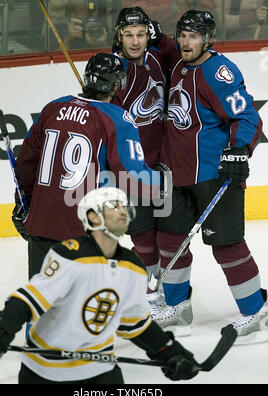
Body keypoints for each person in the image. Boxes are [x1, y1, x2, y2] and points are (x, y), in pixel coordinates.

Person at [0, 187, 199, 384]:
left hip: (101, 371)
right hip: (45, 371)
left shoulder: (133, 267)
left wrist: (167, 351)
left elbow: (134, 322)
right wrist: (3, 324)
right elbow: (32, 297)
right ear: (93, 218)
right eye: (113, 206)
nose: (122, 211)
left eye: (123, 206)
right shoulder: (70, 255)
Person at [153, 10, 268, 343]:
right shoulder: (177, 62)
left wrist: (239, 150)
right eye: (182, 35)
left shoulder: (218, 71)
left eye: (193, 36)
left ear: (208, 39)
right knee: (170, 242)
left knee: (227, 246)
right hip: (176, 175)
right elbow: (158, 44)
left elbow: (247, 117)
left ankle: (255, 309)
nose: (186, 42)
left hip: (215, 176)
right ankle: (177, 307)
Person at [11, 52, 166, 280]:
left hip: (41, 224)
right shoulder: (116, 118)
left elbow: (25, 163)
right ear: (117, 85)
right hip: (84, 230)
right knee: (84, 309)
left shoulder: (52, 108)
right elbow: (133, 177)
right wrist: (163, 182)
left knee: (42, 305)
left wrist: (22, 203)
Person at [110, 7, 178, 302]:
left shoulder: (155, 57)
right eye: (129, 35)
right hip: (131, 167)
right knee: (142, 236)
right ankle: (143, 290)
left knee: (167, 235)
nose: (135, 41)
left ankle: (161, 289)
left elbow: (181, 51)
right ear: (119, 37)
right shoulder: (113, 70)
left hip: (163, 164)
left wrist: (162, 38)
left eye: (141, 34)